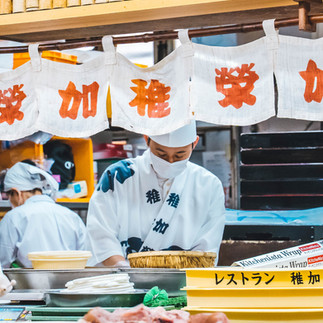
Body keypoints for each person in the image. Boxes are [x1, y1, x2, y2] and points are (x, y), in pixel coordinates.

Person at [86, 121, 225, 267]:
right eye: (161, 154)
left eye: (179, 155)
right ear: (146, 139)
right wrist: (128, 274)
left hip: (182, 282)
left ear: (194, 143)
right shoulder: (118, 176)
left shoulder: (208, 185)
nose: (170, 162)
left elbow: (207, 249)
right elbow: (101, 235)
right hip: (121, 281)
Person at [0, 161, 86, 268]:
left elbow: (3, 263)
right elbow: (85, 256)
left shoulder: (14, 217)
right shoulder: (72, 216)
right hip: (69, 282)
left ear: (16, 193)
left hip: (28, 283)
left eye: (10, 198)